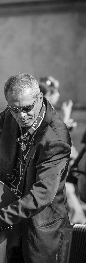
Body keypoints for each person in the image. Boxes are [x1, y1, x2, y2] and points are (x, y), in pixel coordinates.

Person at [0, 72, 71, 263]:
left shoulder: (55, 137)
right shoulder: (13, 113)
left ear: (39, 98)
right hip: (9, 217)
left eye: (26, 109)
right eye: (14, 109)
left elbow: (43, 194)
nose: (21, 116)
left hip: (38, 229)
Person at [39, 76, 86, 224]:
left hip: (59, 171)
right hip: (54, 172)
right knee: (73, 212)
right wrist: (66, 117)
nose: (58, 95)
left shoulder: (47, 112)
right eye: (55, 92)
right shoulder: (42, 113)